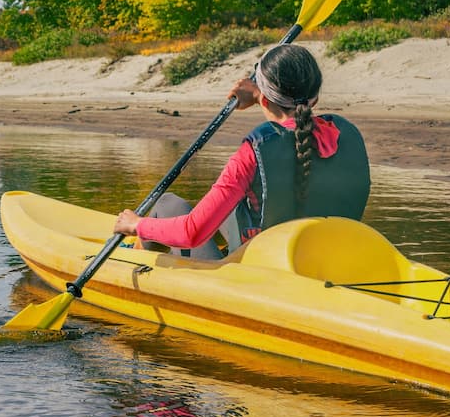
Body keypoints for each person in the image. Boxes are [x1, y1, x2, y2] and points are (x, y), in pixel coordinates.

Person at [113, 44, 371, 259]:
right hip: (331, 262)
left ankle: (135, 255)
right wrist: (261, 93)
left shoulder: (254, 151)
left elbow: (191, 233)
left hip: (263, 274)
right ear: (314, 97)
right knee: (231, 203)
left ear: (265, 99)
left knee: (169, 204)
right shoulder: (345, 133)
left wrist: (137, 224)